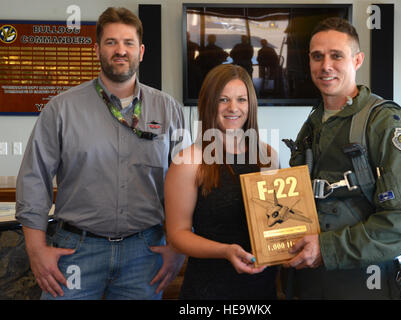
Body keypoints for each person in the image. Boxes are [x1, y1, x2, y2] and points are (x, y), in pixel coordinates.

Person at [15, 7, 189, 300]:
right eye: (111, 42)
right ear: (96, 49)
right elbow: (34, 179)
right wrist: (36, 250)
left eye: (128, 43)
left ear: (141, 51)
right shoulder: (61, 109)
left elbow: (186, 183)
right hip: (75, 250)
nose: (120, 50)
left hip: (144, 253)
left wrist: (178, 247)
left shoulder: (168, 110)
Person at [281, 17, 401, 299]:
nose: (325, 65)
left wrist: (327, 250)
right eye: (317, 56)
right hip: (308, 280)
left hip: (362, 282)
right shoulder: (314, 123)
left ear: (357, 60)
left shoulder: (385, 123)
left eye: (336, 55)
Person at [165, 64, 278, 299]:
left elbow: (277, 219)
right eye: (223, 99)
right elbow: (177, 234)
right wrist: (225, 251)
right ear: (209, 103)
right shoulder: (188, 161)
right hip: (210, 288)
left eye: (241, 99)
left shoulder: (267, 155)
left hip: (262, 286)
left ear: (251, 104)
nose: (233, 108)